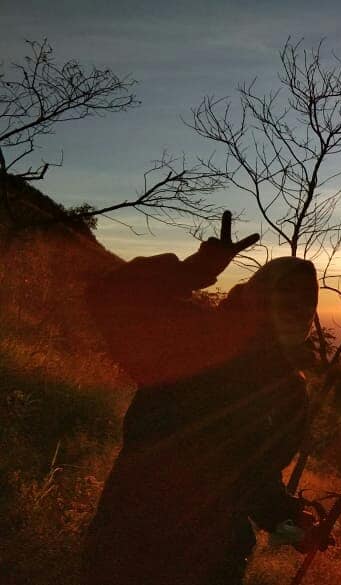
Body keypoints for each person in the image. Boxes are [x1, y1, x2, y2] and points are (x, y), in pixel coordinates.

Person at [83, 212, 318, 585]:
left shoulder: (287, 392)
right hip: (130, 542)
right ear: (257, 296)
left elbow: (255, 477)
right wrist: (198, 268)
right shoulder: (194, 338)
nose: (295, 309)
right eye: (283, 296)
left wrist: (286, 520)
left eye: (305, 302)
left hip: (211, 560)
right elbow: (113, 294)